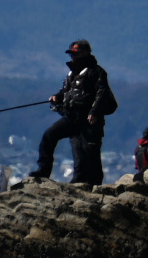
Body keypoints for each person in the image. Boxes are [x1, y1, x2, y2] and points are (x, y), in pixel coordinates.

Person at [30, 39, 114, 184]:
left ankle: (91, 184)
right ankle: (43, 171)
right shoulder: (71, 74)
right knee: (50, 136)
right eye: (71, 54)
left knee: (88, 153)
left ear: (86, 53)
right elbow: (65, 91)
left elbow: (102, 93)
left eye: (76, 53)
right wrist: (57, 97)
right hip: (71, 117)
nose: (73, 57)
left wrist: (94, 112)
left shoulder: (96, 72)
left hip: (89, 120)